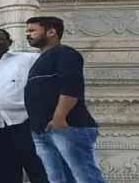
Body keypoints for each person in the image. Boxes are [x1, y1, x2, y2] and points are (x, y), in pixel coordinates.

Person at [25, 16, 108, 183]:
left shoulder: (65, 53)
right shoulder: (42, 58)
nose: (27, 34)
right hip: (43, 130)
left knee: (85, 177)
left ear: (51, 32)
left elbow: (71, 86)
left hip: (67, 126)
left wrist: (59, 118)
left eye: (32, 30)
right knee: (58, 179)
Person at [0, 28, 49, 183]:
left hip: (25, 122)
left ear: (9, 41)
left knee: (38, 169)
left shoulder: (28, 59)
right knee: (4, 172)